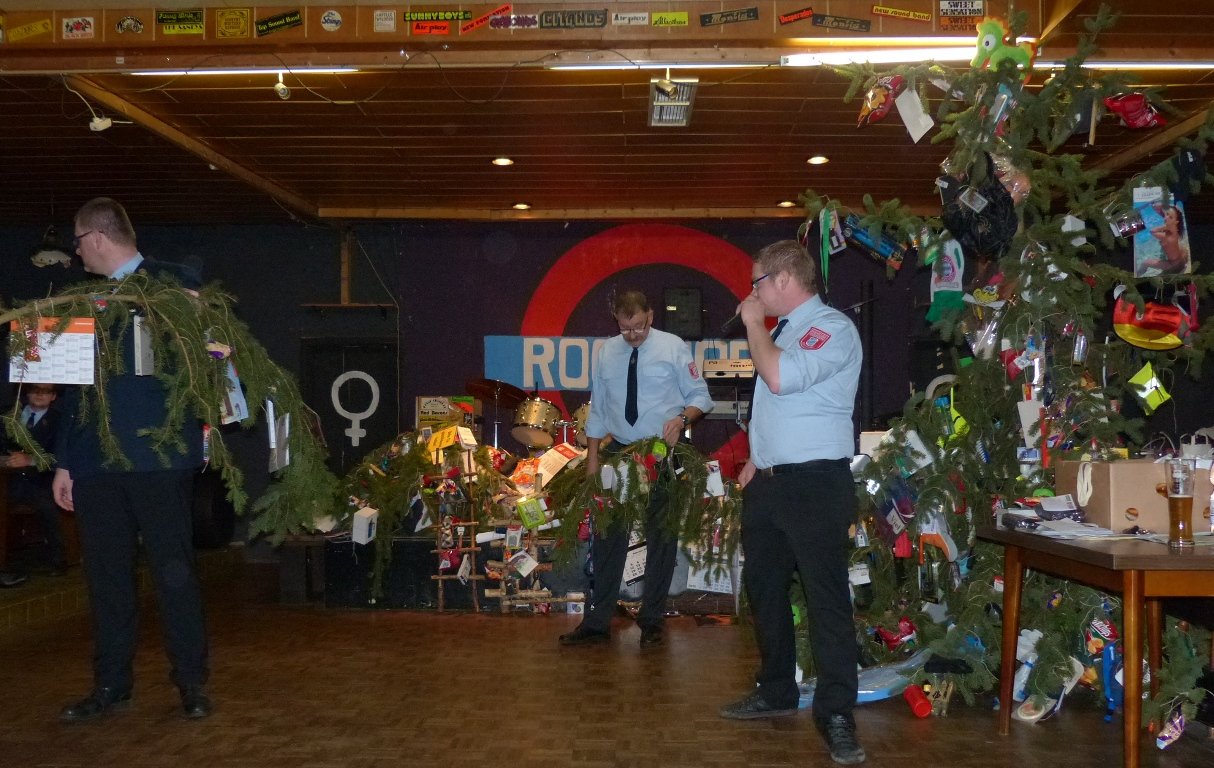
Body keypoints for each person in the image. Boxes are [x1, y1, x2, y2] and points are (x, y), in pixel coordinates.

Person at [52, 197, 212, 722]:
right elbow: (71, 392)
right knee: (107, 582)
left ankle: (191, 683)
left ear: (96, 238)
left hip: (161, 459)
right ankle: (110, 686)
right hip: (96, 464)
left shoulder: (172, 285)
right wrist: (64, 462)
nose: (76, 255)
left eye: (77, 243)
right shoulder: (76, 301)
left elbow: (209, 351)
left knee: (175, 576)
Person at [718, 240, 865, 765]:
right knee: (765, 591)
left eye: (756, 282)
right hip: (772, 484)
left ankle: (836, 713)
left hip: (815, 485)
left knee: (826, 599)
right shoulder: (785, 332)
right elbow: (784, 409)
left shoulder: (831, 328)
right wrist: (758, 458)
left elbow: (780, 379)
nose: (750, 293)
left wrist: (755, 323)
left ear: (783, 280)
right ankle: (777, 688)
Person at [558, 290, 713, 649]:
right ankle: (597, 622)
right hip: (619, 452)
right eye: (626, 329)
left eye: (639, 327)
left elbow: (700, 397)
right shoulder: (607, 351)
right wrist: (594, 459)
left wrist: (681, 418)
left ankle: (652, 621)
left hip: (662, 451)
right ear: (617, 321)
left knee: (662, 537)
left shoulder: (673, 347)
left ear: (651, 315)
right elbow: (598, 409)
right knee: (607, 536)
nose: (633, 335)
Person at [3, 383, 69, 576]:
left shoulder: (59, 421)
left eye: (46, 391)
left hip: (42, 480)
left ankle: (58, 558)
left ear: (54, 396)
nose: (40, 395)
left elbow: (59, 456)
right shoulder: (10, 416)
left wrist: (30, 460)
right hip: (9, 479)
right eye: (35, 390)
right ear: (26, 393)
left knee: (46, 505)